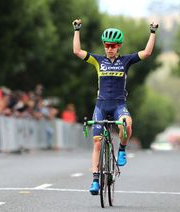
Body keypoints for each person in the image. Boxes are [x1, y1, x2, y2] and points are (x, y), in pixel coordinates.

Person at [72, 19, 159, 195]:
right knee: (97, 143)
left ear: (119, 46)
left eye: (113, 45)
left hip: (119, 105)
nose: (109, 48)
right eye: (107, 45)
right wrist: (77, 30)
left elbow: (147, 53)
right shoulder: (98, 61)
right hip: (101, 106)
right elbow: (77, 51)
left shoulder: (126, 61)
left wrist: (152, 32)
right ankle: (95, 180)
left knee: (126, 123)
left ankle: (121, 150)